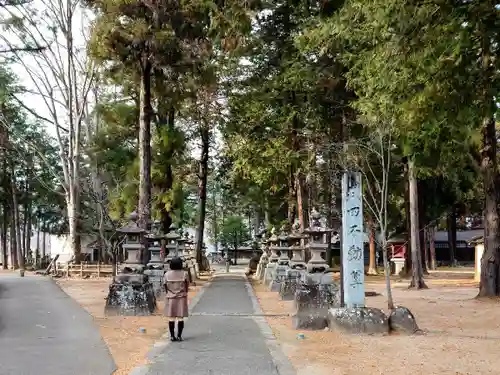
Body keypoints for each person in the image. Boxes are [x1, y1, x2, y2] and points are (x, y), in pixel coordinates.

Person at [163, 257, 189, 341]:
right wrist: (184, 292)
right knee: (180, 317)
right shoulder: (184, 274)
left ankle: (172, 336)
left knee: (171, 317)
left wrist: (169, 293)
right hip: (181, 297)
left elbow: (165, 286)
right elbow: (187, 285)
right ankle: (179, 336)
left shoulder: (167, 274)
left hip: (171, 297)